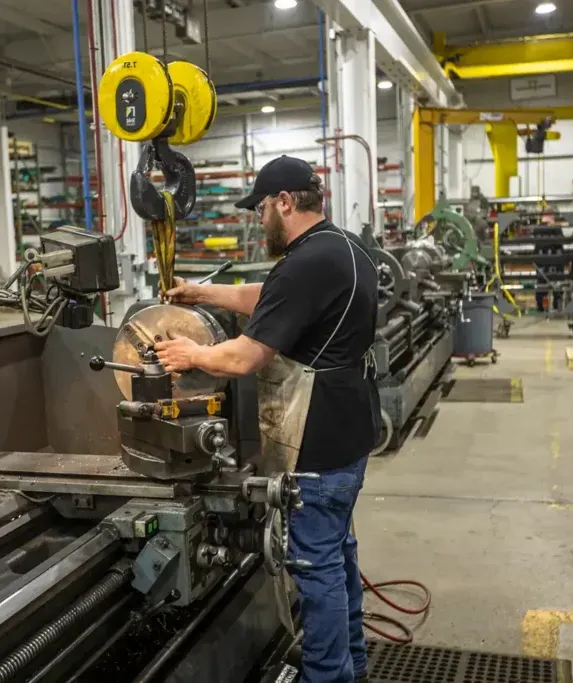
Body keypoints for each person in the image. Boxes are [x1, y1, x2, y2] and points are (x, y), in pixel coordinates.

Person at [154, 155, 380, 683]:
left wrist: (190, 355)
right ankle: (352, 660)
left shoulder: (305, 262)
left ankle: (327, 676)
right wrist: (200, 292)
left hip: (317, 443)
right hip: (351, 430)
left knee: (315, 565)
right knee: (338, 551)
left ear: (284, 202)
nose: (258, 220)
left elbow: (243, 358)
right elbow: (271, 297)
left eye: (260, 209)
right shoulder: (342, 248)